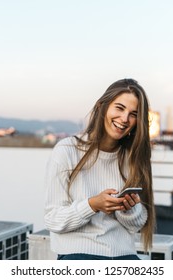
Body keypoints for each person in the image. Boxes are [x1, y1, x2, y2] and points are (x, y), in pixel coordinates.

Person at [44, 78, 155, 260]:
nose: (125, 119)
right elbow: (53, 219)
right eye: (119, 108)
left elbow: (137, 225)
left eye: (133, 114)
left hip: (123, 255)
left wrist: (128, 209)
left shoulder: (132, 158)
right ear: (102, 106)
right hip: (78, 254)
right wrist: (92, 205)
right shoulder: (66, 150)